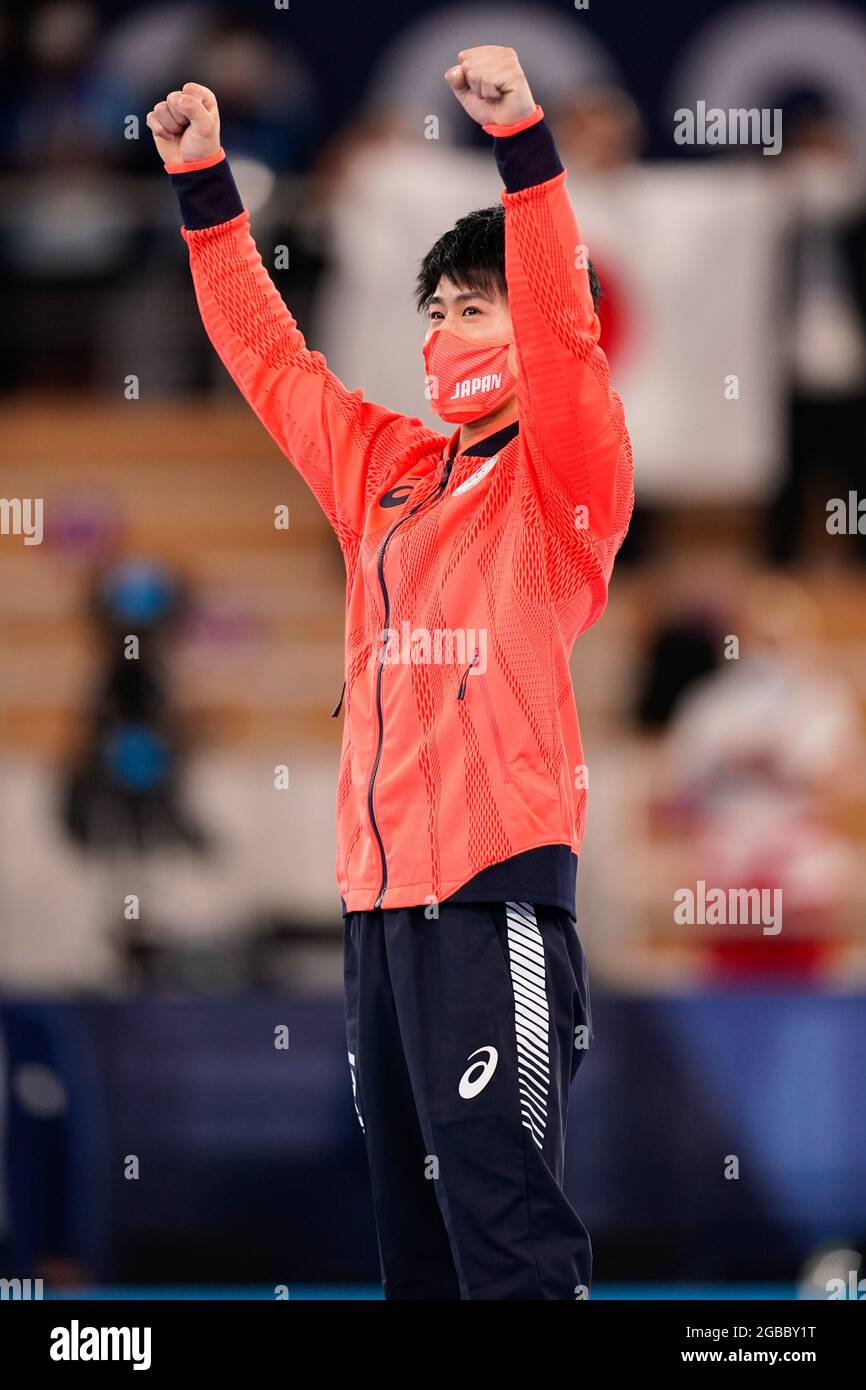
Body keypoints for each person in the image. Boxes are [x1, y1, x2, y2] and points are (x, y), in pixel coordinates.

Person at [148, 44, 634, 1301]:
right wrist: (203, 182)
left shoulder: (562, 483)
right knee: (413, 1262)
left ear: (526, 327)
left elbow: (567, 330)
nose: (440, 334)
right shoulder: (386, 472)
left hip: (491, 902)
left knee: (507, 1237)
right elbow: (270, 361)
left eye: (471, 309)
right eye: (431, 311)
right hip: (377, 913)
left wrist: (524, 141)